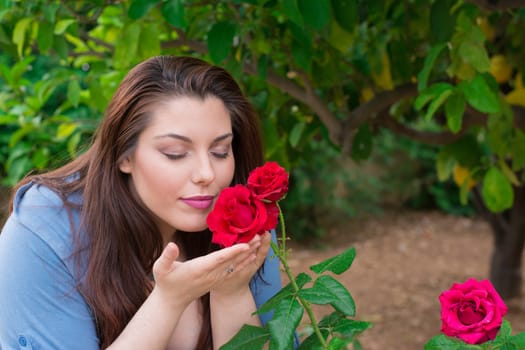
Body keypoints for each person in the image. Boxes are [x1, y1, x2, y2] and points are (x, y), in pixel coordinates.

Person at [0, 56, 283, 349]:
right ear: (124, 156)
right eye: (175, 153)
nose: (206, 174)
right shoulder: (45, 228)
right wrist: (169, 301)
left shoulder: (244, 220)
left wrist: (232, 292)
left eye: (221, 151)